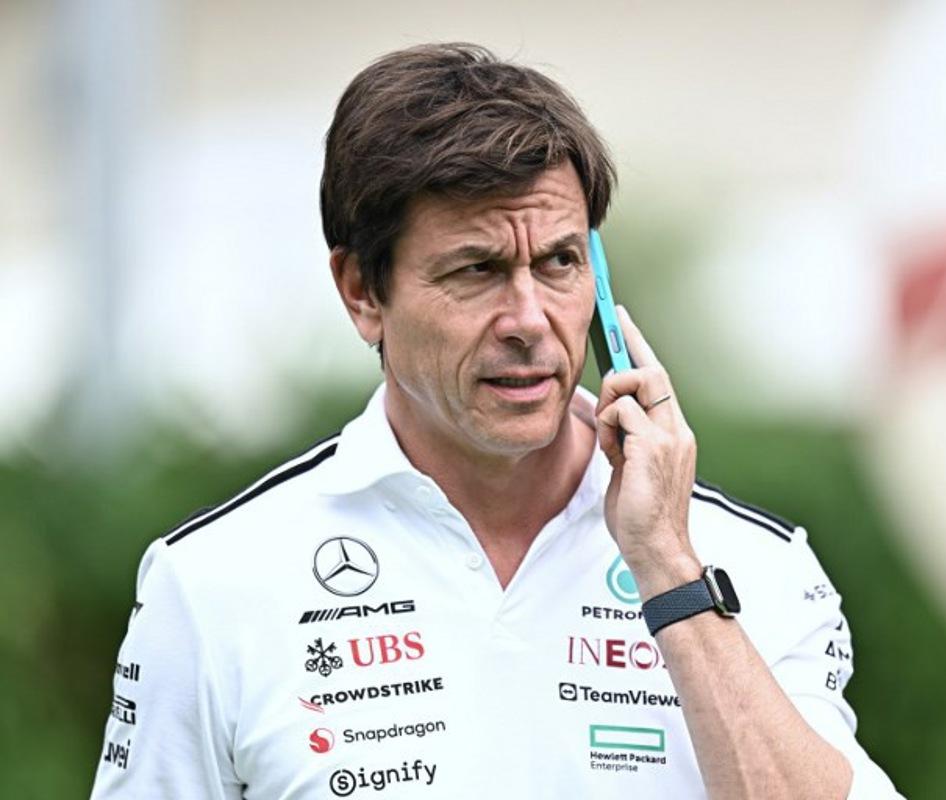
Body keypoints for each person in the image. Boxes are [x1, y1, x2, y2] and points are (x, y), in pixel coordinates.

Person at [90, 43, 901, 799]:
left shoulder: (753, 567)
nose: (529, 320)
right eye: (476, 270)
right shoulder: (212, 585)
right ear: (362, 293)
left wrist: (667, 566)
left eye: (559, 262)